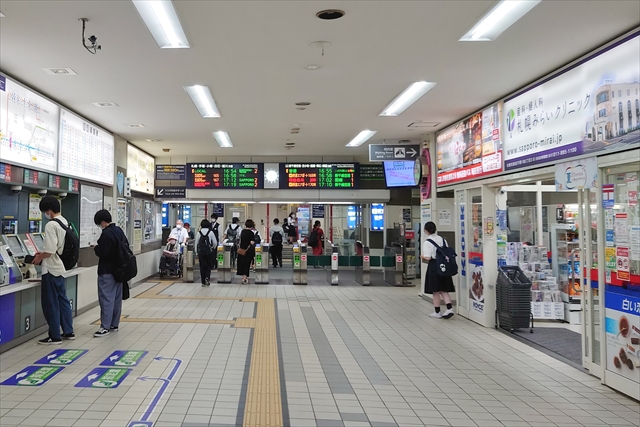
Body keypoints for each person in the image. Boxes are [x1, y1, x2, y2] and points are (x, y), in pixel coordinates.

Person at [32, 196, 75, 344]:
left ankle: (54, 336)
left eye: (45, 211)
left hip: (51, 269)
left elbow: (50, 250)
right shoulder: (65, 222)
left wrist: (39, 258)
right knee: (62, 300)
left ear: (49, 210)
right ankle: (68, 331)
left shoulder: (51, 225)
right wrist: (43, 254)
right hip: (61, 268)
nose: (45, 214)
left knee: (50, 303)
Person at [92, 209, 128, 337]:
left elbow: (103, 252)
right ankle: (114, 324)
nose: (99, 226)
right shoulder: (119, 231)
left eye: (99, 224)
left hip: (107, 271)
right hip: (119, 271)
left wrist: (96, 247)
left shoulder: (106, 234)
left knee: (106, 299)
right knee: (116, 299)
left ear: (103, 222)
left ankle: (104, 327)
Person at [421, 221, 455, 319]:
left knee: (435, 290)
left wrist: (422, 256)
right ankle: (449, 308)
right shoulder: (443, 240)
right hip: (444, 266)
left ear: (426, 231)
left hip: (434, 266)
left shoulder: (427, 242)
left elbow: (428, 257)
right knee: (444, 289)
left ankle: (437, 312)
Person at [196, 219, 217, 286]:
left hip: (201, 252)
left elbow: (196, 243)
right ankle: (207, 278)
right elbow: (215, 243)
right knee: (208, 266)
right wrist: (212, 248)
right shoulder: (210, 232)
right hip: (208, 252)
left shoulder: (199, 233)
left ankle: (203, 281)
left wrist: (196, 252)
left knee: (202, 266)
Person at [236, 219, 256, 284]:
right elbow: (252, 242)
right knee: (247, 264)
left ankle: (244, 278)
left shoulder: (242, 231)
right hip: (248, 251)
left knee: (242, 263)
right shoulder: (251, 233)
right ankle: (244, 279)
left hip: (241, 250)